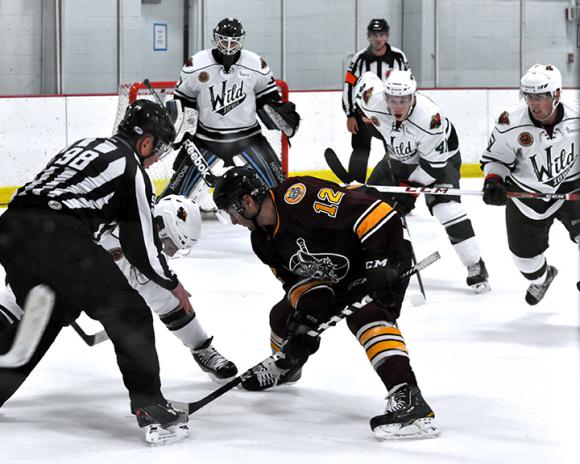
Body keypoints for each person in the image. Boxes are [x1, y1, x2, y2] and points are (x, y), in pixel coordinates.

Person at [0, 100, 190, 444]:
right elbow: (141, 247)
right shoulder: (131, 167)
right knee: (129, 311)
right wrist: (173, 286)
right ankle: (151, 407)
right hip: (56, 233)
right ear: (144, 142)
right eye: (158, 147)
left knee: (52, 311)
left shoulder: (84, 145)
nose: (157, 157)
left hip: (11, 228)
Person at [212, 166, 440, 440]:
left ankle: (410, 400)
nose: (233, 221)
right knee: (283, 317)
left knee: (366, 315)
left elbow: (378, 215)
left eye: (231, 212)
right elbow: (298, 284)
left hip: (379, 251)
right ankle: (287, 367)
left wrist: (381, 261)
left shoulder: (299, 198)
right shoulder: (261, 240)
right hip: (339, 274)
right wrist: (305, 324)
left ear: (247, 201)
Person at [0, 194, 238, 384]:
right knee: (18, 305)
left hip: (89, 286)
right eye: (170, 244)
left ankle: (202, 349)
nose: (170, 253)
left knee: (168, 299)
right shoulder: (108, 217)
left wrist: (201, 347)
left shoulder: (147, 261)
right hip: (52, 272)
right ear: (160, 227)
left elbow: (174, 307)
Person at [355, 70, 490, 293]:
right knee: (365, 206)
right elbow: (364, 78)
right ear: (385, 97)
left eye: (404, 101)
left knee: (447, 209)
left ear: (413, 97)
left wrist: (406, 195)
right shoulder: (371, 99)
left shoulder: (429, 119)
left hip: (440, 160)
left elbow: (432, 166)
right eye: (392, 100)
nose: (397, 107)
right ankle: (366, 265)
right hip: (398, 158)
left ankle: (474, 264)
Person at [161, 17, 300, 208]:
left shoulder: (255, 64)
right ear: (215, 39)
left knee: (279, 187)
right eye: (224, 40)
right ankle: (158, 222)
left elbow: (267, 99)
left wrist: (278, 112)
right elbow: (181, 101)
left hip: (249, 136)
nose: (228, 46)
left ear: (242, 40)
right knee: (176, 191)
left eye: (233, 41)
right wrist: (181, 126)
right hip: (206, 138)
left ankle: (288, 222)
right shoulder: (197, 64)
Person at [480, 63, 579, 305]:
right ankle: (543, 277)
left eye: (540, 96)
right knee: (526, 263)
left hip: (572, 189)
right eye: (529, 96)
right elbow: (496, 159)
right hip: (527, 196)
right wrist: (494, 180)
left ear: (556, 95)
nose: (534, 103)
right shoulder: (510, 122)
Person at [342, 18, 410, 183]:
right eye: (374, 35)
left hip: (391, 114)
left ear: (387, 36)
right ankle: (356, 189)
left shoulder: (398, 57)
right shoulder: (359, 59)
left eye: (382, 34)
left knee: (395, 152)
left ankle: (394, 189)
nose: (378, 39)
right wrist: (350, 114)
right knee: (361, 149)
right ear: (369, 36)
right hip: (362, 113)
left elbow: (409, 84)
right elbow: (349, 85)